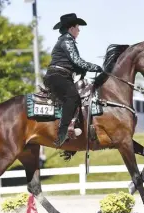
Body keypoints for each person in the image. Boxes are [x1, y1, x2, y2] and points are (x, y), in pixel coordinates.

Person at [43, 13, 103, 147]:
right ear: (71, 29)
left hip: (59, 75)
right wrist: (96, 67)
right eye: (77, 27)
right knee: (72, 96)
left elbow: (74, 64)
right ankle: (62, 132)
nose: (79, 30)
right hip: (57, 76)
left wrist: (83, 70)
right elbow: (77, 61)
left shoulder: (65, 40)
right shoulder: (67, 41)